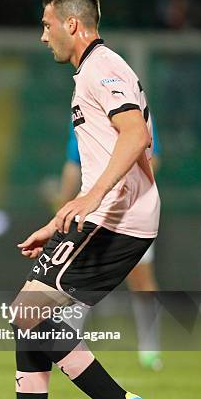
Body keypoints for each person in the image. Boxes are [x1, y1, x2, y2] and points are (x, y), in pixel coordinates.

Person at [0, 0, 159, 399]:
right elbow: (126, 150)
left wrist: (94, 198)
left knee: (28, 313)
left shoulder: (103, 66)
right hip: (105, 213)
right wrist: (61, 220)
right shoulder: (94, 71)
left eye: (47, 24)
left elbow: (135, 135)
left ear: (72, 25)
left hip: (113, 217)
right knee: (28, 316)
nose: (43, 35)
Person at [61, 122, 162, 370]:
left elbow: (152, 160)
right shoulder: (84, 119)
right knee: (82, 278)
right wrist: (64, 205)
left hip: (132, 215)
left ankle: (150, 348)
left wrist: (122, 190)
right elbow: (73, 166)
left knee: (141, 281)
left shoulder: (134, 115)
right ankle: (67, 345)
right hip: (96, 215)